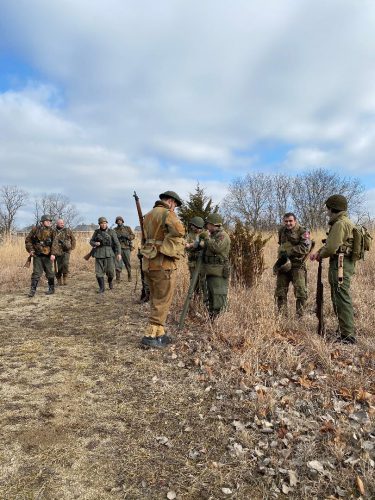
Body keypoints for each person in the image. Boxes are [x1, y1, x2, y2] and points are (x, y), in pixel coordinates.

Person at [140, 191, 185, 347]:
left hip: (148, 263)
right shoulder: (167, 213)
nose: (175, 209)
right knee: (163, 299)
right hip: (163, 263)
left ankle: (160, 333)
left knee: (155, 298)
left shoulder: (148, 215)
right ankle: (150, 335)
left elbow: (145, 239)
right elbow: (180, 230)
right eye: (175, 206)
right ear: (171, 201)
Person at [310, 195, 357, 344]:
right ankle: (344, 330)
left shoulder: (339, 224)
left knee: (341, 299)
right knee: (339, 297)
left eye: (328, 208)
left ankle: (348, 336)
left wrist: (320, 255)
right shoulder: (344, 222)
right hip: (343, 264)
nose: (327, 211)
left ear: (332, 208)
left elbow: (331, 247)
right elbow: (333, 244)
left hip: (340, 265)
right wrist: (319, 252)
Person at [274, 213, 312, 317]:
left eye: (290, 221)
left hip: (297, 265)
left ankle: (300, 316)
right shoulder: (282, 230)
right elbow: (281, 245)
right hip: (284, 264)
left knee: (300, 292)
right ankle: (282, 316)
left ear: (295, 221)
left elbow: (305, 248)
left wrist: (289, 251)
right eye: (286, 221)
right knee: (280, 291)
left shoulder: (303, 231)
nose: (288, 223)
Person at [200, 214, 231, 319]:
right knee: (211, 295)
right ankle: (212, 316)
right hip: (210, 269)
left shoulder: (223, 235)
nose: (206, 226)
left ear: (214, 224)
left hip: (219, 270)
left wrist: (207, 238)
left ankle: (220, 319)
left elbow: (216, 248)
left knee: (218, 294)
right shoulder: (212, 235)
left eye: (208, 224)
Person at [25, 214, 57, 297]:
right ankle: (32, 291)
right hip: (37, 255)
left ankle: (51, 288)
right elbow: (28, 241)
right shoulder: (35, 230)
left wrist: (53, 254)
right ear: (42, 222)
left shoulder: (52, 231)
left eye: (50, 221)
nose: (49, 222)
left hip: (48, 255)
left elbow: (55, 244)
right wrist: (31, 250)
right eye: (47, 221)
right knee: (36, 273)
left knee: (50, 273)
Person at [89, 217, 122, 293]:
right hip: (99, 253)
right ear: (99, 224)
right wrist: (95, 243)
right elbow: (91, 241)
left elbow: (117, 244)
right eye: (101, 223)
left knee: (110, 272)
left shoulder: (111, 232)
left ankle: (110, 281)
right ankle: (102, 288)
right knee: (99, 272)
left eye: (105, 223)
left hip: (109, 253)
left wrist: (119, 253)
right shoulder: (97, 232)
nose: (103, 225)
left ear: (107, 223)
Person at [185, 216, 205, 295]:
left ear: (197, 226)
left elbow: (205, 244)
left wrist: (192, 245)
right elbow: (186, 246)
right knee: (194, 282)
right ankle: (195, 298)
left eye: (193, 225)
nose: (191, 227)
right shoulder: (190, 235)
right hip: (193, 263)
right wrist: (190, 246)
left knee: (203, 282)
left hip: (203, 264)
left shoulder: (205, 234)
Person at [54, 218, 76, 285]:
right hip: (57, 251)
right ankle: (58, 279)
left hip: (66, 251)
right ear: (57, 223)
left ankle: (65, 278)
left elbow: (73, 239)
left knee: (65, 264)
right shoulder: (53, 231)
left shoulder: (67, 230)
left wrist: (71, 248)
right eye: (61, 223)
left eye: (63, 223)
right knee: (58, 266)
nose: (62, 224)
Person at [114, 216, 135, 282]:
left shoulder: (127, 228)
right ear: (116, 222)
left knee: (127, 263)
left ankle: (129, 276)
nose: (119, 221)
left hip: (126, 248)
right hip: (118, 249)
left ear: (122, 221)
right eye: (118, 220)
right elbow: (113, 238)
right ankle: (118, 278)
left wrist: (127, 236)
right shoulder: (114, 230)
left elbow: (133, 236)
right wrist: (118, 237)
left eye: (120, 220)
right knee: (118, 263)